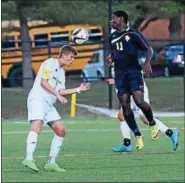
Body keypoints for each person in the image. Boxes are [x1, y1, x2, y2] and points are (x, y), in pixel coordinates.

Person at [22, 45, 91, 172]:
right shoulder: (50, 63)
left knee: (61, 131)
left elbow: (61, 90)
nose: (72, 60)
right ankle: (28, 158)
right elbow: (43, 82)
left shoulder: (62, 72)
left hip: (49, 104)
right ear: (63, 55)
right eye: (71, 57)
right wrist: (58, 95)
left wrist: (78, 89)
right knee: (37, 125)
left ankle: (51, 163)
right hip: (38, 99)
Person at [107, 10, 159, 150]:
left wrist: (147, 63)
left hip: (134, 72)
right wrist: (110, 58)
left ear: (121, 19)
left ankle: (153, 123)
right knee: (125, 105)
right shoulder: (112, 37)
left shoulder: (133, 34)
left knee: (139, 101)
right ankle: (137, 135)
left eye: (113, 19)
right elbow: (115, 53)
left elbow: (149, 49)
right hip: (119, 74)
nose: (111, 21)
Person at [107, 78, 180, 152]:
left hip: (136, 89)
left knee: (145, 118)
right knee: (122, 116)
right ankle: (127, 144)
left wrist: (116, 80)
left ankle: (171, 133)